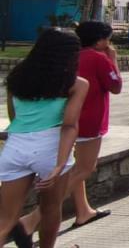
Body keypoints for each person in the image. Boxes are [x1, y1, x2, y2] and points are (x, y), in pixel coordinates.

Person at [21, 22, 122, 238]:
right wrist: (113, 60)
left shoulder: (69, 56)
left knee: (72, 168)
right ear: (100, 41)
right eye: (108, 39)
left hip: (63, 118)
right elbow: (116, 87)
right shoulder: (98, 58)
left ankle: (83, 211)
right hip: (89, 121)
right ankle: (32, 220)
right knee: (85, 169)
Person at [0, 29, 88, 248]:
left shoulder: (16, 77)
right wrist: (59, 164)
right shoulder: (76, 84)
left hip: (16, 147)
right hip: (51, 149)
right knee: (50, 209)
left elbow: (14, 116)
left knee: (4, 219)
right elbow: (69, 126)